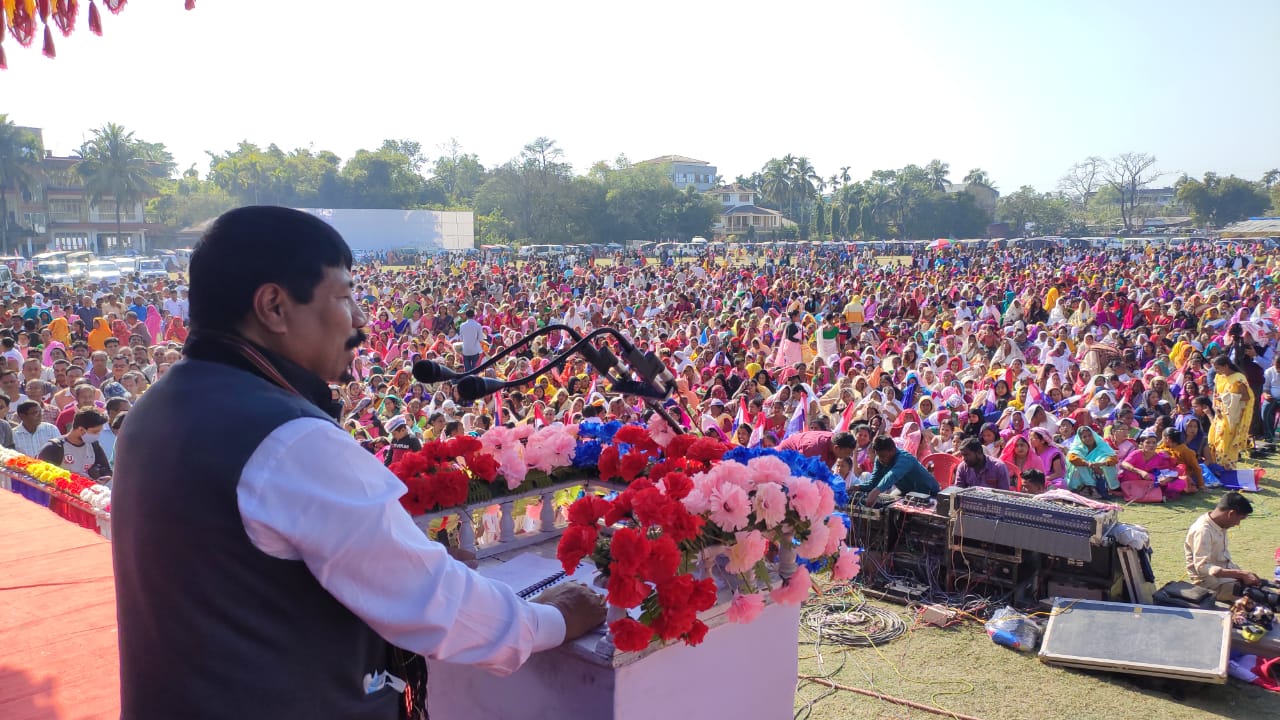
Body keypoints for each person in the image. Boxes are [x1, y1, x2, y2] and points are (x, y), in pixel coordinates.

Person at [111, 207, 605, 719]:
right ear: (274, 307)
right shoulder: (289, 439)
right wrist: (555, 618)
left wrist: (401, 565)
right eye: (346, 297)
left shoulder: (157, 406)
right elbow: (438, 607)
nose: (363, 320)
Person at [1184, 492, 1262, 602]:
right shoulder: (1203, 531)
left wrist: (1244, 574)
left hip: (1228, 578)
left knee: (1264, 589)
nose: (1237, 524)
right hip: (1211, 584)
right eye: (1239, 519)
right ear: (1231, 513)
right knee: (1259, 599)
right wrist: (1241, 574)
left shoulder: (1220, 524)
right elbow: (1202, 567)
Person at [857, 434, 940, 506]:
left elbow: (893, 475)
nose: (880, 459)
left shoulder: (905, 458)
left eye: (882, 456)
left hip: (929, 493)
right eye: (878, 456)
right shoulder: (879, 459)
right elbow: (873, 483)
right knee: (886, 506)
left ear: (892, 451)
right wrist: (857, 487)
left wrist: (876, 491)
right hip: (906, 491)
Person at [37, 407, 111, 480]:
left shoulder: (94, 445)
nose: (98, 435)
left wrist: (103, 477)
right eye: (95, 432)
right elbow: (40, 475)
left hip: (87, 490)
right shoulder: (54, 448)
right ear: (81, 429)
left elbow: (106, 469)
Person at [1208, 354, 1255, 469]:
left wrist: (1226, 398)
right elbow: (1215, 393)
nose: (1217, 371)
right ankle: (1218, 467)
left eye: (1218, 368)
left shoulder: (1238, 378)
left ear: (1226, 366)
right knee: (1216, 440)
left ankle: (1228, 468)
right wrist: (1215, 406)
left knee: (1227, 442)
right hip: (1219, 414)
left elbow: (1246, 397)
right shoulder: (1219, 377)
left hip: (1231, 416)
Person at [1065, 425, 1119, 497]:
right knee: (1078, 465)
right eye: (1084, 437)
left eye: (1090, 435)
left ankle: (1112, 488)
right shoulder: (1078, 448)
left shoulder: (1102, 445)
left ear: (1094, 435)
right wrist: (1088, 464)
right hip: (1085, 475)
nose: (1088, 438)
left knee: (1107, 461)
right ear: (1081, 439)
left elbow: (1114, 459)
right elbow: (1072, 458)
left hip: (1100, 473)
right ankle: (1090, 487)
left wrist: (1101, 463)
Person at [776, 429, 857, 467]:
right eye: (847, 453)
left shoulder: (834, 442)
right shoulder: (814, 448)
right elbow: (801, 471)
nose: (848, 455)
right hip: (782, 460)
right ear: (837, 448)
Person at [459, 308, 485, 372]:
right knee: (474, 370)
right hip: (475, 350)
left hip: (465, 350)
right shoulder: (478, 325)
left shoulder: (462, 325)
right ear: (474, 315)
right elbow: (480, 339)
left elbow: (461, 339)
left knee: (467, 371)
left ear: (466, 315)